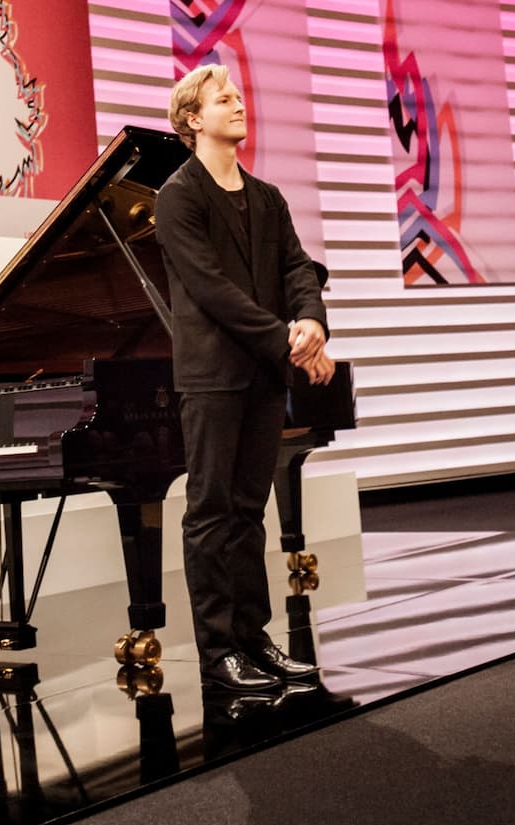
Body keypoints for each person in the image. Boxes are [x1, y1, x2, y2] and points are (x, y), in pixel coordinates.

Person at [154, 64, 337, 691]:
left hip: (262, 374)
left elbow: (298, 268)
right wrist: (287, 338)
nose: (238, 103)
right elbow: (210, 287)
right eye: (222, 98)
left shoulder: (267, 196)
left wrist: (311, 321)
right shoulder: (177, 195)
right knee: (209, 512)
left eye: (238, 95)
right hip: (212, 377)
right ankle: (217, 651)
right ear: (191, 120)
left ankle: (255, 640)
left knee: (248, 510)